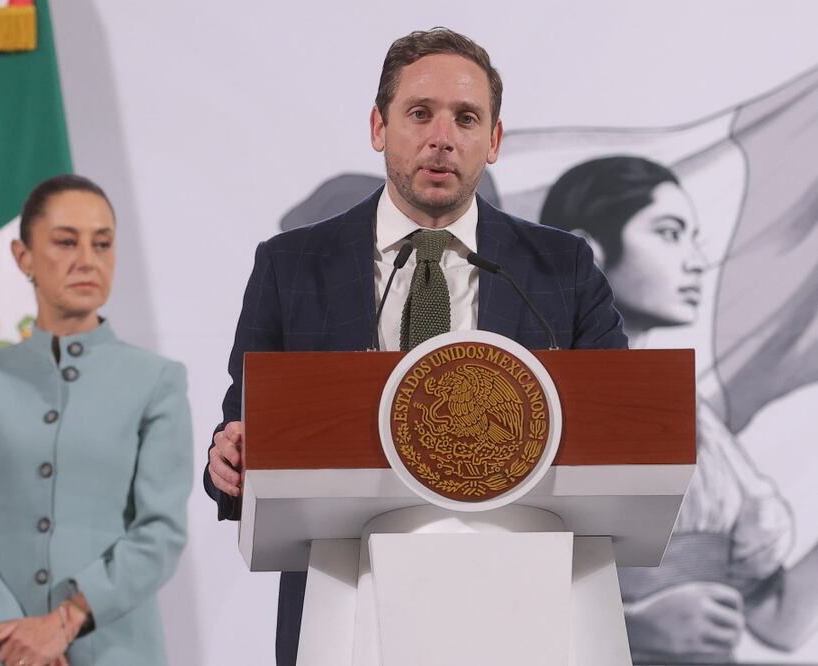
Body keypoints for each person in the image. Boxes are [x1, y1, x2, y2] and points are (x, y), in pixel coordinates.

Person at [203, 28, 628, 665]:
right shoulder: (293, 265)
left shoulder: (559, 268)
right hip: (346, 598)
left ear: (494, 139)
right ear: (379, 127)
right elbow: (246, 421)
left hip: (521, 599)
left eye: (466, 117)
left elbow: (619, 428)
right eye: (419, 113)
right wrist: (229, 460)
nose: (442, 137)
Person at [539, 155, 801, 662]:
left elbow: (778, 619)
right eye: (669, 232)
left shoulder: (695, 419)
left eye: (693, 235)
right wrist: (630, 627)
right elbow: (472, 582)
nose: (697, 260)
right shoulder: (523, 402)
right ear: (586, 253)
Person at [0, 174, 192, 666]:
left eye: (102, 244)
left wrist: (63, 623)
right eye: (65, 242)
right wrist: (11, 638)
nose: (87, 260)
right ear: (23, 256)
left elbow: (161, 531)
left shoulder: (157, 380)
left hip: (117, 648)